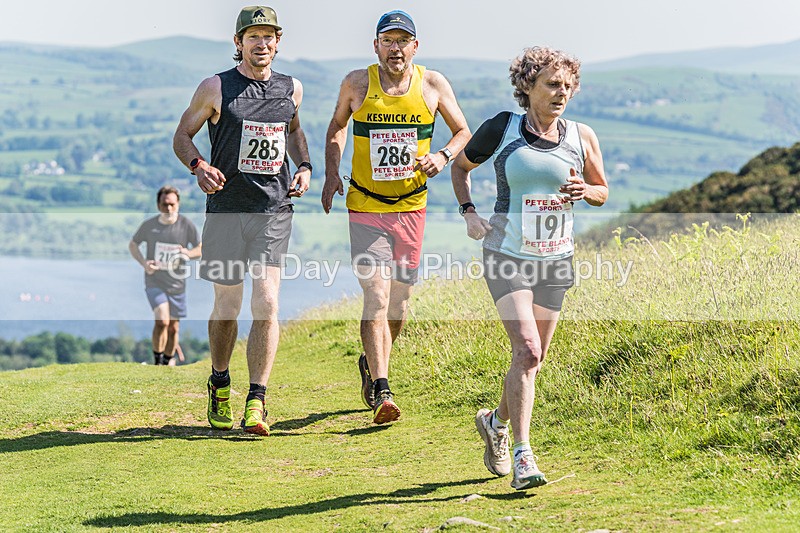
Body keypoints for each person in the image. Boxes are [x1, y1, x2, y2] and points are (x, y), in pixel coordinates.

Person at [451, 47, 608, 490]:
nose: (561, 93)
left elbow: (602, 189)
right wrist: (469, 213)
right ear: (528, 88)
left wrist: (586, 191)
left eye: (567, 85)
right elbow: (461, 168)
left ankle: (495, 421)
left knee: (532, 360)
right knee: (528, 351)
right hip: (507, 254)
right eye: (551, 84)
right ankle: (523, 455)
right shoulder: (502, 128)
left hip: (556, 260)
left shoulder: (582, 135)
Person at [322, 10, 470, 425]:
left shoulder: (433, 84)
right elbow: (336, 127)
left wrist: (442, 155)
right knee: (377, 295)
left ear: (415, 47)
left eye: (403, 41)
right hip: (365, 205)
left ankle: (371, 363)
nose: (396, 48)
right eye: (388, 40)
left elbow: (464, 132)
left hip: (411, 207)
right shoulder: (356, 83)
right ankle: (384, 390)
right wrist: (332, 174)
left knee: (399, 305)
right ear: (376, 46)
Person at [172, 5, 312, 436]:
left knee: (267, 301)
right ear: (239, 43)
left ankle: (257, 400)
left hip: (273, 210)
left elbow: (293, 132)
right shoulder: (216, 87)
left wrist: (304, 165)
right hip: (226, 210)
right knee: (227, 305)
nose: (262, 44)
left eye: (269, 36)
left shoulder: (292, 88)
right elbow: (182, 135)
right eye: (254, 37)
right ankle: (219, 381)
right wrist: (197, 165)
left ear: (278, 41)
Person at [128, 186, 201, 366]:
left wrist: (187, 253)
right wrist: (144, 263)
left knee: (174, 327)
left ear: (178, 204)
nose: (168, 208)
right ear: (158, 205)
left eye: (172, 204)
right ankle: (157, 361)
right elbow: (133, 245)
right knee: (162, 320)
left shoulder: (186, 225)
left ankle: (168, 362)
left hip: (177, 283)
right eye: (164, 204)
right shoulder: (149, 225)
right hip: (154, 280)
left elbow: (200, 249)